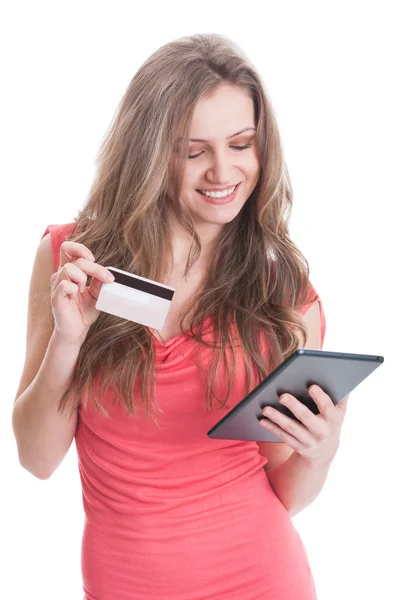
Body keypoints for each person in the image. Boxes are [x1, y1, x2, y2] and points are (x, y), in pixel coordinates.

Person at [12, 33, 348, 600]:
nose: (223, 171)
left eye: (241, 144)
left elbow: (284, 493)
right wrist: (68, 341)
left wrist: (321, 452)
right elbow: (36, 458)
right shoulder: (73, 260)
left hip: (263, 581)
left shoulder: (284, 300)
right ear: (149, 152)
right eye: (194, 151)